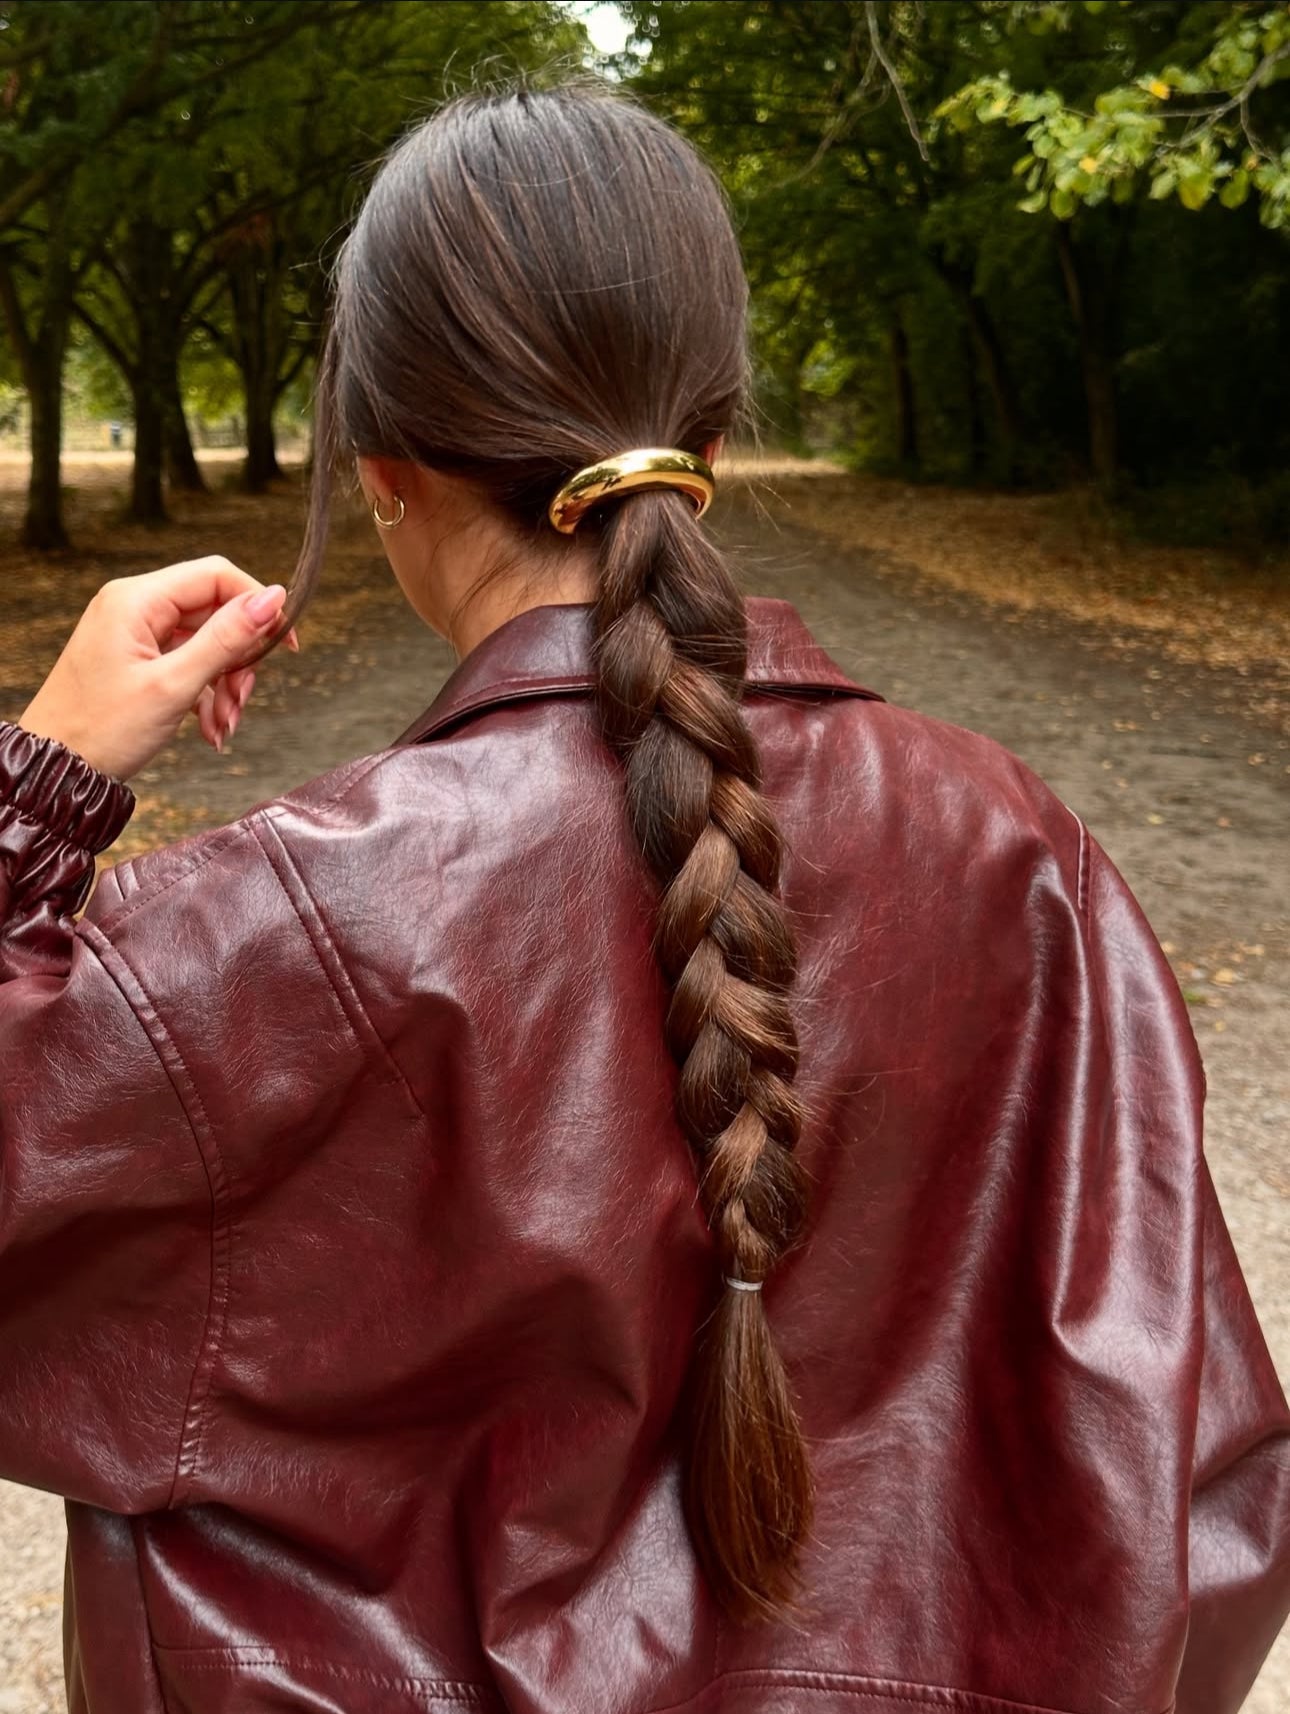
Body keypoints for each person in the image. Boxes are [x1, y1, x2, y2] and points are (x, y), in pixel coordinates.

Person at [2, 80, 1288, 1714]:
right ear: (716, 446)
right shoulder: (1027, 859)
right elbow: (1200, 1476)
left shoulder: (276, 930)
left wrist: (41, 774)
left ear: (381, 470)